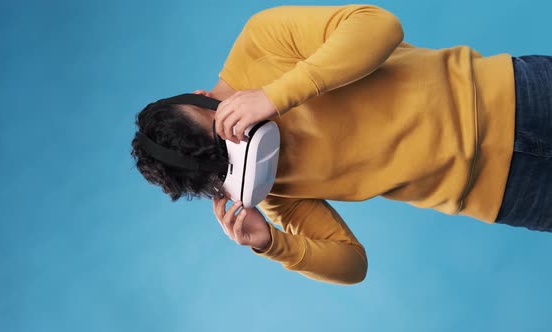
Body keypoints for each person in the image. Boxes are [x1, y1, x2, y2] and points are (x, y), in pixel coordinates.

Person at [130, 4, 552, 285]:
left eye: (219, 129)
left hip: (516, 94)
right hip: (506, 193)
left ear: (200, 96)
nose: (239, 143)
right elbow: (353, 265)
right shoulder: (269, 186)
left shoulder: (260, 41)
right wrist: (270, 244)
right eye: (223, 161)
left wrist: (275, 96)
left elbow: (379, 26)